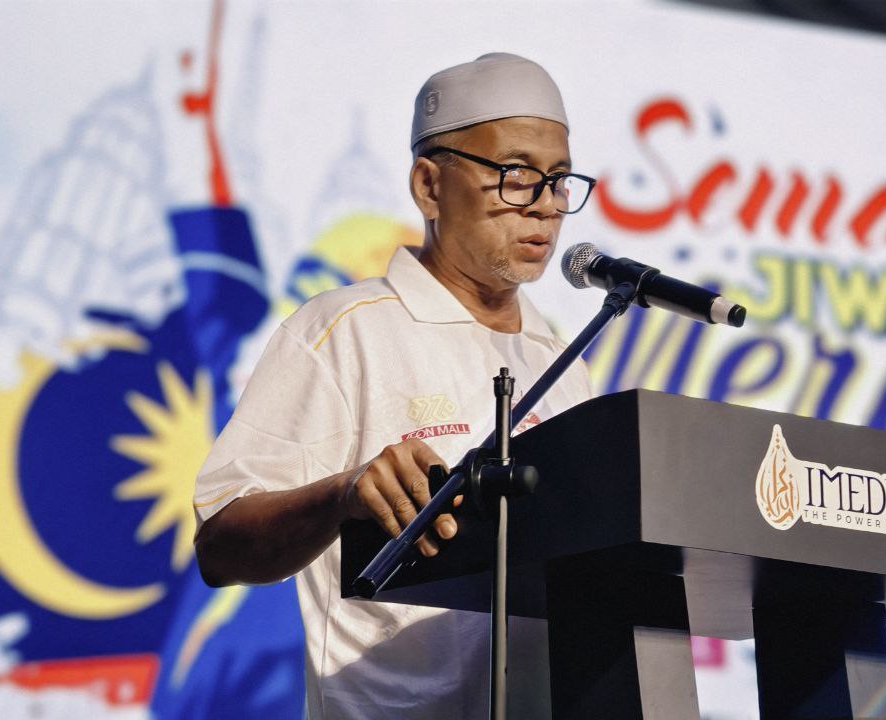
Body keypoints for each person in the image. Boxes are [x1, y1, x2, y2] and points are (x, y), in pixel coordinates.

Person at [192, 53, 596, 719]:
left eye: (559, 181)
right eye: (517, 175)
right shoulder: (344, 331)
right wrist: (344, 494)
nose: (547, 206)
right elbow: (220, 545)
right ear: (429, 186)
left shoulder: (562, 364)